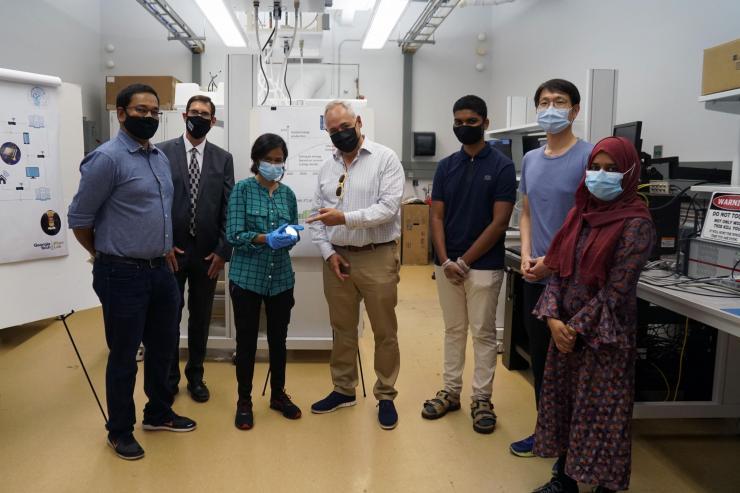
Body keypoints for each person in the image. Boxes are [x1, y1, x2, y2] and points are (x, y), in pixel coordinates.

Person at [67, 84, 196, 461]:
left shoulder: (157, 157)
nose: (149, 118)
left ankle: (158, 413)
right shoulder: (106, 159)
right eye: (140, 111)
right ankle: (119, 430)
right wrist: (106, 253)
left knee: (163, 347)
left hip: (161, 270)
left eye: (155, 112)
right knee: (124, 355)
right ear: (121, 114)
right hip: (121, 274)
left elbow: (153, 210)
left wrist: (161, 243)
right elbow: (79, 219)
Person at [529, 136, 655, 493]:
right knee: (566, 406)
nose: (601, 176)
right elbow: (558, 270)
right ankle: (564, 479)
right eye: (595, 168)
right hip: (565, 336)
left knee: (602, 414)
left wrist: (573, 328)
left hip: (604, 338)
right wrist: (553, 320)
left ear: (629, 173)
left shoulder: (636, 224)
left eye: (612, 170)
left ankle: (606, 485)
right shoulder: (579, 215)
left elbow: (616, 291)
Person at [306, 100, 404, 430]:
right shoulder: (326, 168)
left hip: (377, 255)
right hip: (338, 259)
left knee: (384, 331)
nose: (340, 134)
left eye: (345, 127)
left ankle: (386, 395)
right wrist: (328, 253)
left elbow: (388, 209)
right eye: (333, 131)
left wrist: (345, 218)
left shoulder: (385, 159)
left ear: (359, 122)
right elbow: (318, 220)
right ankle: (343, 389)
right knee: (342, 329)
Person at [421, 95, 516, 434]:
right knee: (454, 330)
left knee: (483, 333)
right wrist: (445, 260)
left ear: (485, 123)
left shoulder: (502, 167)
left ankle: (482, 399)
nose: (463, 127)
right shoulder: (446, 166)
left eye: (471, 122)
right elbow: (436, 216)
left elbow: (499, 222)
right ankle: (450, 392)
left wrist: (464, 260)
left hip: (484, 265)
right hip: (448, 265)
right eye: (458, 122)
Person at [510, 79, 594, 457]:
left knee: (572, 365)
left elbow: (589, 222)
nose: (551, 107)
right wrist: (528, 256)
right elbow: (526, 213)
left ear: (575, 110)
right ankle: (546, 431)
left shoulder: (590, 158)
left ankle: (574, 445)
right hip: (535, 274)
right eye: (544, 101)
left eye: (559, 101)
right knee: (542, 360)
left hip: (573, 277)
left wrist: (553, 262)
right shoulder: (530, 159)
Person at [158, 95, 235, 403]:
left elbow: (229, 207)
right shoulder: (162, 153)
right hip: (171, 253)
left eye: (205, 114)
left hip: (207, 255)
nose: (199, 117)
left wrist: (222, 251)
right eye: (194, 112)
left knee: (201, 317)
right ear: (184, 115)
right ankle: (169, 376)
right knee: (169, 317)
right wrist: (162, 244)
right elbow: (156, 203)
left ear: (213, 121)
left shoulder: (223, 158)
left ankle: (196, 376)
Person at [226, 133, 304, 430]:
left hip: (281, 279)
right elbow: (233, 235)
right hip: (247, 279)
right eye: (269, 160)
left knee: (278, 340)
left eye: (279, 160)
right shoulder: (242, 191)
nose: (274, 165)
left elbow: (291, 238)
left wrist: (290, 237)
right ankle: (244, 400)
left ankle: (278, 395)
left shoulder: (288, 195)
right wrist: (265, 239)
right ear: (256, 161)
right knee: (246, 342)